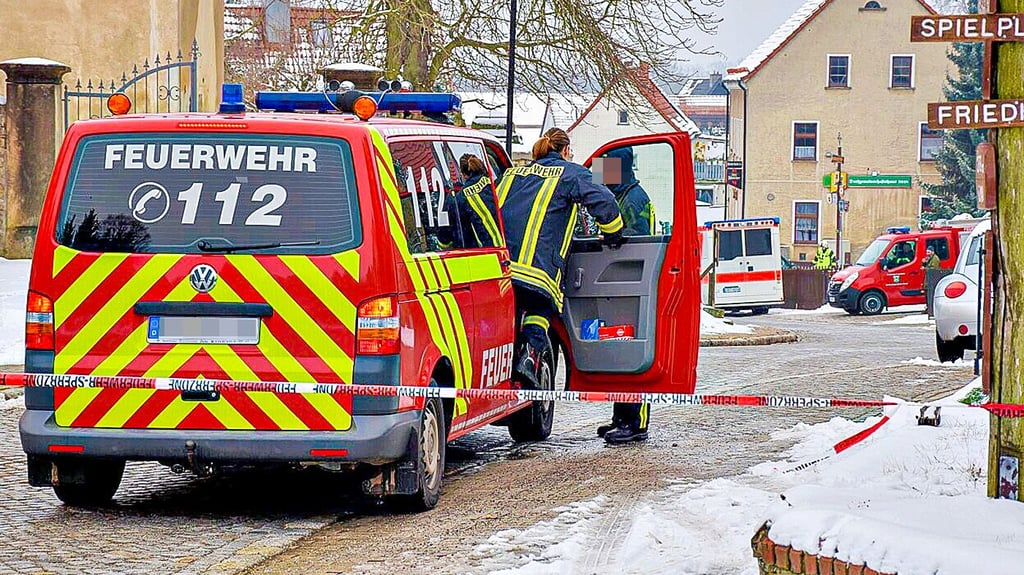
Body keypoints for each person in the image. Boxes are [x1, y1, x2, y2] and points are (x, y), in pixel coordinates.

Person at [497, 128, 624, 393]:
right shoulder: (571, 173)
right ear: (565, 151)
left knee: (513, 314)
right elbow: (605, 199)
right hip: (537, 271)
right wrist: (613, 233)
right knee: (541, 308)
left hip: (500, 269)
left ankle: (509, 366)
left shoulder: (511, 173)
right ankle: (530, 358)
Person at [595, 146, 655, 444]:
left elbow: (634, 242)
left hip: (633, 282)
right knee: (620, 351)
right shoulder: (621, 194)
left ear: (618, 167)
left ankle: (636, 422)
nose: (600, 173)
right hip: (620, 283)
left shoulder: (634, 199)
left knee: (631, 353)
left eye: (604, 167)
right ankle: (621, 417)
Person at [452, 154, 502, 249]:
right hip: (511, 247)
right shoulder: (497, 183)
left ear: (463, 174)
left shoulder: (461, 197)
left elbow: (460, 235)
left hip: (488, 253)